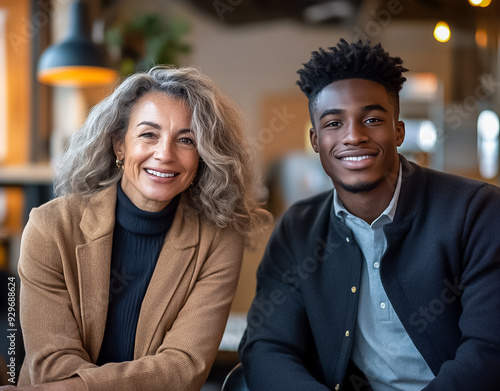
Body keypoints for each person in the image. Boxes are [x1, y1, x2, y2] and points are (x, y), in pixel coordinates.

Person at [238, 39, 500, 391]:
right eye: (333, 123)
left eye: (372, 119)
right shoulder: (298, 229)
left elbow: (489, 352)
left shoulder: (477, 211)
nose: (354, 136)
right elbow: (267, 348)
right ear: (315, 140)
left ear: (398, 131)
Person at [6, 65, 269, 391]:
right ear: (119, 145)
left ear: (203, 155)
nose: (165, 154)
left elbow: (184, 368)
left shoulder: (218, 239)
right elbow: (52, 369)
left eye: (186, 140)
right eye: (148, 134)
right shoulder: (50, 228)